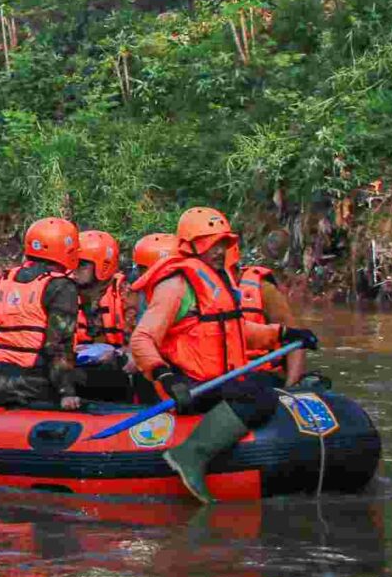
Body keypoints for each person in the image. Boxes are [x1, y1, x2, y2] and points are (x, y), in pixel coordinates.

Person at [129, 207, 318, 503]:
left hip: (216, 382)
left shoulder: (218, 282)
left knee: (262, 386)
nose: (219, 251)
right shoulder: (176, 285)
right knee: (259, 394)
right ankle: (190, 454)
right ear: (189, 245)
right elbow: (141, 339)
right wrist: (165, 376)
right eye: (209, 243)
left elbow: (237, 330)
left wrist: (285, 335)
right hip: (187, 386)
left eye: (222, 243)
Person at [0, 216, 84, 410]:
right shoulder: (62, 286)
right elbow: (57, 345)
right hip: (35, 387)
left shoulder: (6, 279)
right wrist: (66, 392)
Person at [75, 231, 136, 400]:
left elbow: (140, 341)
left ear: (103, 265)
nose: (74, 271)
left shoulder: (125, 292)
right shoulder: (66, 292)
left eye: (82, 265)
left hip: (120, 368)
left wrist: (118, 354)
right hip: (81, 366)